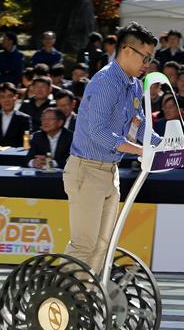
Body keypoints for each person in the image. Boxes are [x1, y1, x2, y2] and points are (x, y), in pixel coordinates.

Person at [64, 21, 162, 274]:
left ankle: (86, 297)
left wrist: (163, 145)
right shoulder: (106, 81)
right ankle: (59, 299)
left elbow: (138, 127)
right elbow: (97, 132)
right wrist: (141, 151)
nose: (147, 65)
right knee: (84, 245)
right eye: (146, 57)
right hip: (86, 170)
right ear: (127, 50)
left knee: (103, 246)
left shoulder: (134, 85)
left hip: (110, 171)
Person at [0, 82, 31, 147]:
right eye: (2, 97)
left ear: (15, 97)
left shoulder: (24, 119)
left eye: (9, 96)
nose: (6, 100)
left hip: (15, 156)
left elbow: (26, 144)